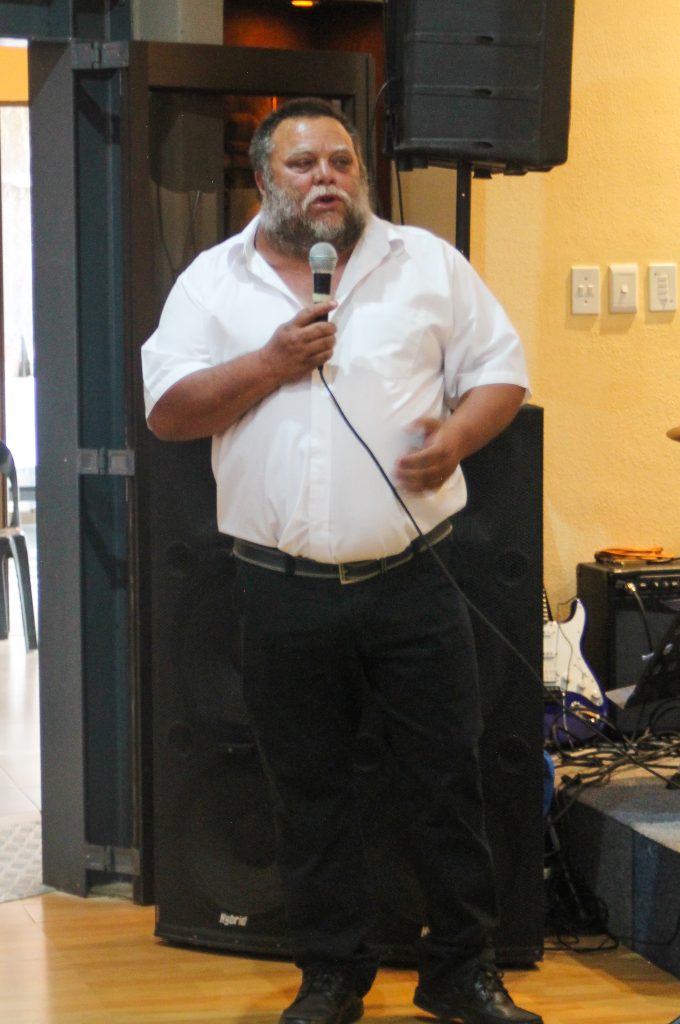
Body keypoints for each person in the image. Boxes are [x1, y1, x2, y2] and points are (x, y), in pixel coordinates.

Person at [141, 97, 542, 1024]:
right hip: (279, 592)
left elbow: (500, 373)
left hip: (413, 579)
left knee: (446, 783)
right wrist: (270, 363)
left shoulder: (425, 265)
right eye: (302, 164)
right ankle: (330, 975)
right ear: (264, 179)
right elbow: (167, 411)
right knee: (308, 793)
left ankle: (461, 971)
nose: (325, 177)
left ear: (360, 174)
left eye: (341, 161)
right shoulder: (212, 282)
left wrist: (456, 440)